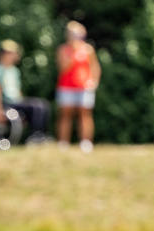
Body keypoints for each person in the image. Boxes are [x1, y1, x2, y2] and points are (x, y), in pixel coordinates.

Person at [0, 40, 51, 143]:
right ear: (4, 54)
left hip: (17, 102)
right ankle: (35, 136)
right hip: (7, 103)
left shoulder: (14, 71)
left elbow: (17, 91)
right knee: (34, 106)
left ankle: (41, 134)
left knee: (42, 104)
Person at [56, 21, 100, 153]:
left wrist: (94, 81)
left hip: (83, 87)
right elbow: (63, 69)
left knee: (85, 115)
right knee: (65, 115)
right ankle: (63, 142)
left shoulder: (88, 49)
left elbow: (95, 67)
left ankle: (86, 142)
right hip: (66, 87)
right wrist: (73, 54)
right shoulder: (63, 50)